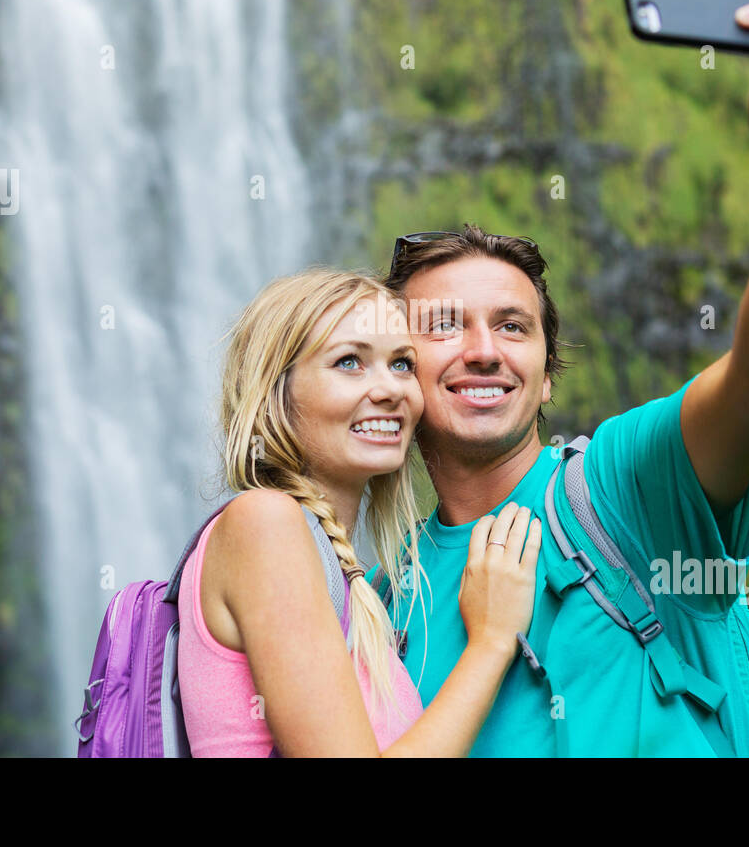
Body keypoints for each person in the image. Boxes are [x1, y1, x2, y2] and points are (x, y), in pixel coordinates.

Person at [371, 0, 749, 755]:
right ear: (396, 368)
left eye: (513, 327)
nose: (484, 348)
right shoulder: (384, 600)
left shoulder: (623, 492)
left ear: (547, 375)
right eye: (446, 326)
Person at [178, 268, 542, 756]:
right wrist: (492, 642)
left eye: (402, 364)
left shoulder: (361, 583)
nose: (390, 390)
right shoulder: (264, 523)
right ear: (275, 395)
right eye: (349, 362)